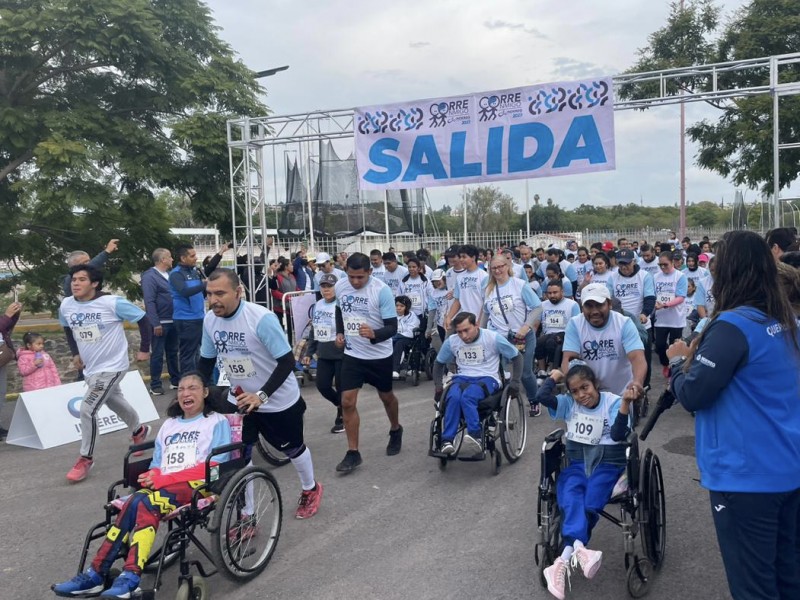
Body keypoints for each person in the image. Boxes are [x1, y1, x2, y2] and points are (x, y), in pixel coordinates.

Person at [666, 230, 800, 600]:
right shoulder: (786, 322)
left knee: (754, 587)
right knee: (788, 577)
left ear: (728, 273)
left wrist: (678, 361)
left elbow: (694, 394)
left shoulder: (732, 326)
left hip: (745, 478)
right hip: (788, 469)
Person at [51, 372, 232, 599]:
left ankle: (129, 576)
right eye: (181, 389)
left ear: (205, 392)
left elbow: (216, 464)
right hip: (164, 485)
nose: (186, 393)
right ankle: (96, 574)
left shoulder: (216, 422)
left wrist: (163, 479)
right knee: (135, 500)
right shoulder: (170, 425)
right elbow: (158, 462)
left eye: (193, 388)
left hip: (198, 484)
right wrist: (152, 474)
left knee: (146, 503)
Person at [198, 269, 323, 519]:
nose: (213, 300)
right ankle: (248, 513)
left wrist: (262, 396)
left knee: (292, 448)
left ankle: (311, 488)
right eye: (209, 294)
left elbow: (287, 361)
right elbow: (205, 361)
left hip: (276, 400)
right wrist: (195, 390)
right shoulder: (209, 320)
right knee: (241, 455)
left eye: (220, 293)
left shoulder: (260, 319)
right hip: (241, 399)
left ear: (238, 292)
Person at [538, 362, 638, 600]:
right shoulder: (568, 405)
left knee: (591, 498)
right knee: (570, 494)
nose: (582, 395)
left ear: (595, 384)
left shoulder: (613, 401)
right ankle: (580, 550)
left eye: (585, 387)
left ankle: (564, 559)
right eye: (575, 391)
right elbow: (541, 395)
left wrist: (625, 404)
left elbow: (616, 435)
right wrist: (555, 376)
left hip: (608, 463)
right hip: (577, 463)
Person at [60, 264, 151, 482]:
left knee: (87, 409)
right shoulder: (66, 305)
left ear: (94, 283)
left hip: (113, 366)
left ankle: (85, 458)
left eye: (82, 279)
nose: (76, 283)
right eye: (74, 279)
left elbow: (143, 319)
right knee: (113, 400)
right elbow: (67, 327)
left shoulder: (111, 303)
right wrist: (75, 353)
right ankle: (139, 431)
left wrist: (144, 349)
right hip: (92, 368)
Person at [334, 252, 403, 473]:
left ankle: (395, 429)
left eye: (360, 277)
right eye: (351, 276)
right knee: (347, 401)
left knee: (386, 397)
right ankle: (353, 452)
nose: (355, 282)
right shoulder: (341, 287)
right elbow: (339, 309)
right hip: (353, 354)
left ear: (370, 273)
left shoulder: (381, 291)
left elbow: (393, 327)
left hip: (379, 355)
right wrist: (340, 332)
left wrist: (374, 333)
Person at [432, 312, 522, 455]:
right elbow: (438, 363)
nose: (463, 336)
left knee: (468, 396)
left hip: (487, 377)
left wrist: (515, 381)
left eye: (466, 330)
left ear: (476, 325)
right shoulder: (452, 341)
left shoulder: (492, 338)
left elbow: (517, 356)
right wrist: (438, 385)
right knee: (453, 397)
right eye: (459, 332)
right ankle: (447, 440)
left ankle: (476, 435)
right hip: (462, 377)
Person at [481, 255, 543, 416]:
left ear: (507, 266)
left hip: (522, 336)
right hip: (499, 337)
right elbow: (486, 313)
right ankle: (498, 405)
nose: (497, 270)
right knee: (498, 371)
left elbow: (537, 307)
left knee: (524, 372)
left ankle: (534, 399)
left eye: (500, 266)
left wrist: (525, 326)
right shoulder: (487, 288)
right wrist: (480, 333)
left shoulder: (519, 285)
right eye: (493, 268)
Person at [560, 283, 646, 397]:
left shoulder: (624, 323)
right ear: (582, 307)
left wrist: (637, 382)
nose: (594, 311)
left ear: (609, 304)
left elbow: (637, 358)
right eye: (589, 306)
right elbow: (568, 359)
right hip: (589, 396)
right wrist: (576, 387)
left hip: (621, 394)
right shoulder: (574, 324)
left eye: (599, 305)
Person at [303, 273, 344, 433]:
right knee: (322, 385)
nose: (326, 290)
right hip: (324, 353)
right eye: (324, 286)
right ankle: (341, 405)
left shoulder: (340, 304)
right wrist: (308, 352)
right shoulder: (319, 304)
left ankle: (342, 415)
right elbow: (315, 330)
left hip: (341, 353)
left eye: (330, 286)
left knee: (342, 386)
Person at [609, 249, 655, 389]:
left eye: (627, 264)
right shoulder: (612, 277)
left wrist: (644, 313)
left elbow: (650, 298)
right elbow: (609, 299)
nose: (624, 267)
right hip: (619, 324)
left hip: (640, 325)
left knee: (643, 358)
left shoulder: (644, 276)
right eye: (621, 264)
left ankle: (644, 385)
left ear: (634, 261)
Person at [141, 248, 180, 395]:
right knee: (157, 353)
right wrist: (155, 322)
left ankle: (175, 380)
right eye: (169, 257)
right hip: (160, 321)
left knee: (172, 352)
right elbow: (149, 301)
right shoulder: (150, 276)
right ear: (163, 259)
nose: (172, 259)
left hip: (173, 319)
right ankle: (155, 384)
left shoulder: (170, 275)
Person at [169, 244, 206, 375]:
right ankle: (187, 383)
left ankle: (200, 382)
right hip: (186, 319)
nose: (196, 258)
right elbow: (184, 291)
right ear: (183, 258)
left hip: (199, 317)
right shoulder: (176, 274)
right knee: (188, 354)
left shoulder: (194, 271)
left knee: (200, 352)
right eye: (192, 256)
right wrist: (204, 284)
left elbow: (200, 294)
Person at [652, 250, 688, 378]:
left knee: (675, 345)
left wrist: (666, 305)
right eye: (660, 265)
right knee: (660, 345)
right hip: (661, 318)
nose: (662, 267)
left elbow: (681, 297)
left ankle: (675, 369)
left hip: (676, 318)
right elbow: (653, 295)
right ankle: (666, 364)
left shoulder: (680, 276)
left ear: (673, 262)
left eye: (665, 264)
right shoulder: (656, 277)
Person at [534, 280, 580, 374]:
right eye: (549, 293)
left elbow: (577, 325)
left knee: (551, 342)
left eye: (555, 292)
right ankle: (542, 370)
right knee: (538, 342)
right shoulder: (542, 305)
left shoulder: (572, 305)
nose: (552, 295)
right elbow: (536, 323)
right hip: (548, 333)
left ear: (562, 292)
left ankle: (552, 369)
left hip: (565, 334)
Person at [444, 244, 489, 329]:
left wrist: (479, 323)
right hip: (464, 322)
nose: (461, 260)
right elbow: (457, 301)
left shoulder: (484, 276)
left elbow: (485, 303)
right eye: (460, 257)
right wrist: (449, 317)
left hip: (478, 323)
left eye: (464, 257)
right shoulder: (460, 277)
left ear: (473, 257)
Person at [391, 295, 420, 379]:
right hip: (393, 337)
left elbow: (411, 331)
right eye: (397, 306)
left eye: (401, 306)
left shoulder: (412, 316)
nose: (398, 308)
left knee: (399, 344)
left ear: (407, 307)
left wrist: (397, 335)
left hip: (407, 338)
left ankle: (395, 370)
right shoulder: (392, 316)